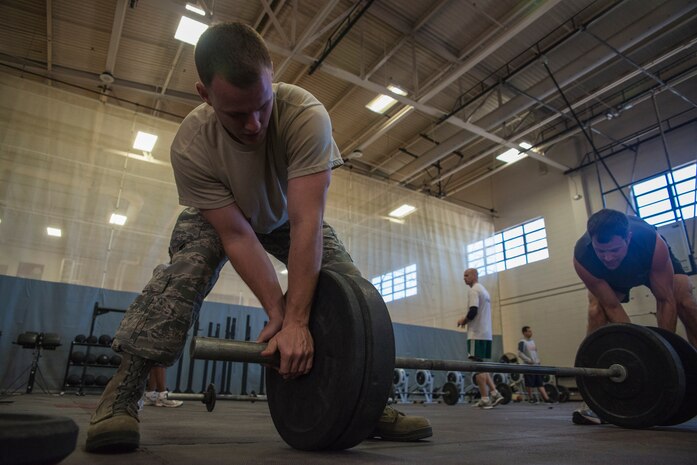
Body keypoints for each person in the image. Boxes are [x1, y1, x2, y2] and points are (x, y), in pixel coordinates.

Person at [85, 22, 431, 452]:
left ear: (272, 80)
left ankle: (365, 400)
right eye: (235, 113)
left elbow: (307, 222)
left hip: (288, 216)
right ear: (205, 95)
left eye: (262, 107)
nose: (253, 125)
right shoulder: (192, 145)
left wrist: (301, 321)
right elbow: (236, 236)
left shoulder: (305, 115)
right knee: (184, 271)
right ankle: (120, 396)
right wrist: (281, 316)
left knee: (350, 289)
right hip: (222, 219)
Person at [572, 208, 697, 424]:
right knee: (596, 311)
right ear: (592, 242)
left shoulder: (652, 243)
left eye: (614, 249)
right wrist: (638, 357)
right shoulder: (583, 258)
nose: (608, 257)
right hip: (614, 279)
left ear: (628, 238)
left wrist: (663, 358)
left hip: (648, 263)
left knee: (685, 302)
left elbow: (665, 300)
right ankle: (594, 396)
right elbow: (612, 306)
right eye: (601, 251)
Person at [457, 268, 504, 409]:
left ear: (474, 276)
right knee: (481, 365)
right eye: (463, 275)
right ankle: (495, 393)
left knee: (476, 367)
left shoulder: (473, 290)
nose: (464, 278)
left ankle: (485, 398)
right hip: (486, 334)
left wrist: (463, 321)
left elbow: (473, 311)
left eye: (466, 275)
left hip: (476, 334)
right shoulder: (484, 290)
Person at [517, 326, 551, 404]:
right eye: (528, 331)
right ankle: (531, 398)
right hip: (528, 366)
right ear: (524, 332)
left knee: (540, 382)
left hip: (536, 365)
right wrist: (529, 361)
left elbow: (535, 352)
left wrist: (538, 360)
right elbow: (520, 353)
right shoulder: (522, 342)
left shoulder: (532, 341)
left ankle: (546, 398)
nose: (530, 333)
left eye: (531, 331)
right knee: (529, 383)